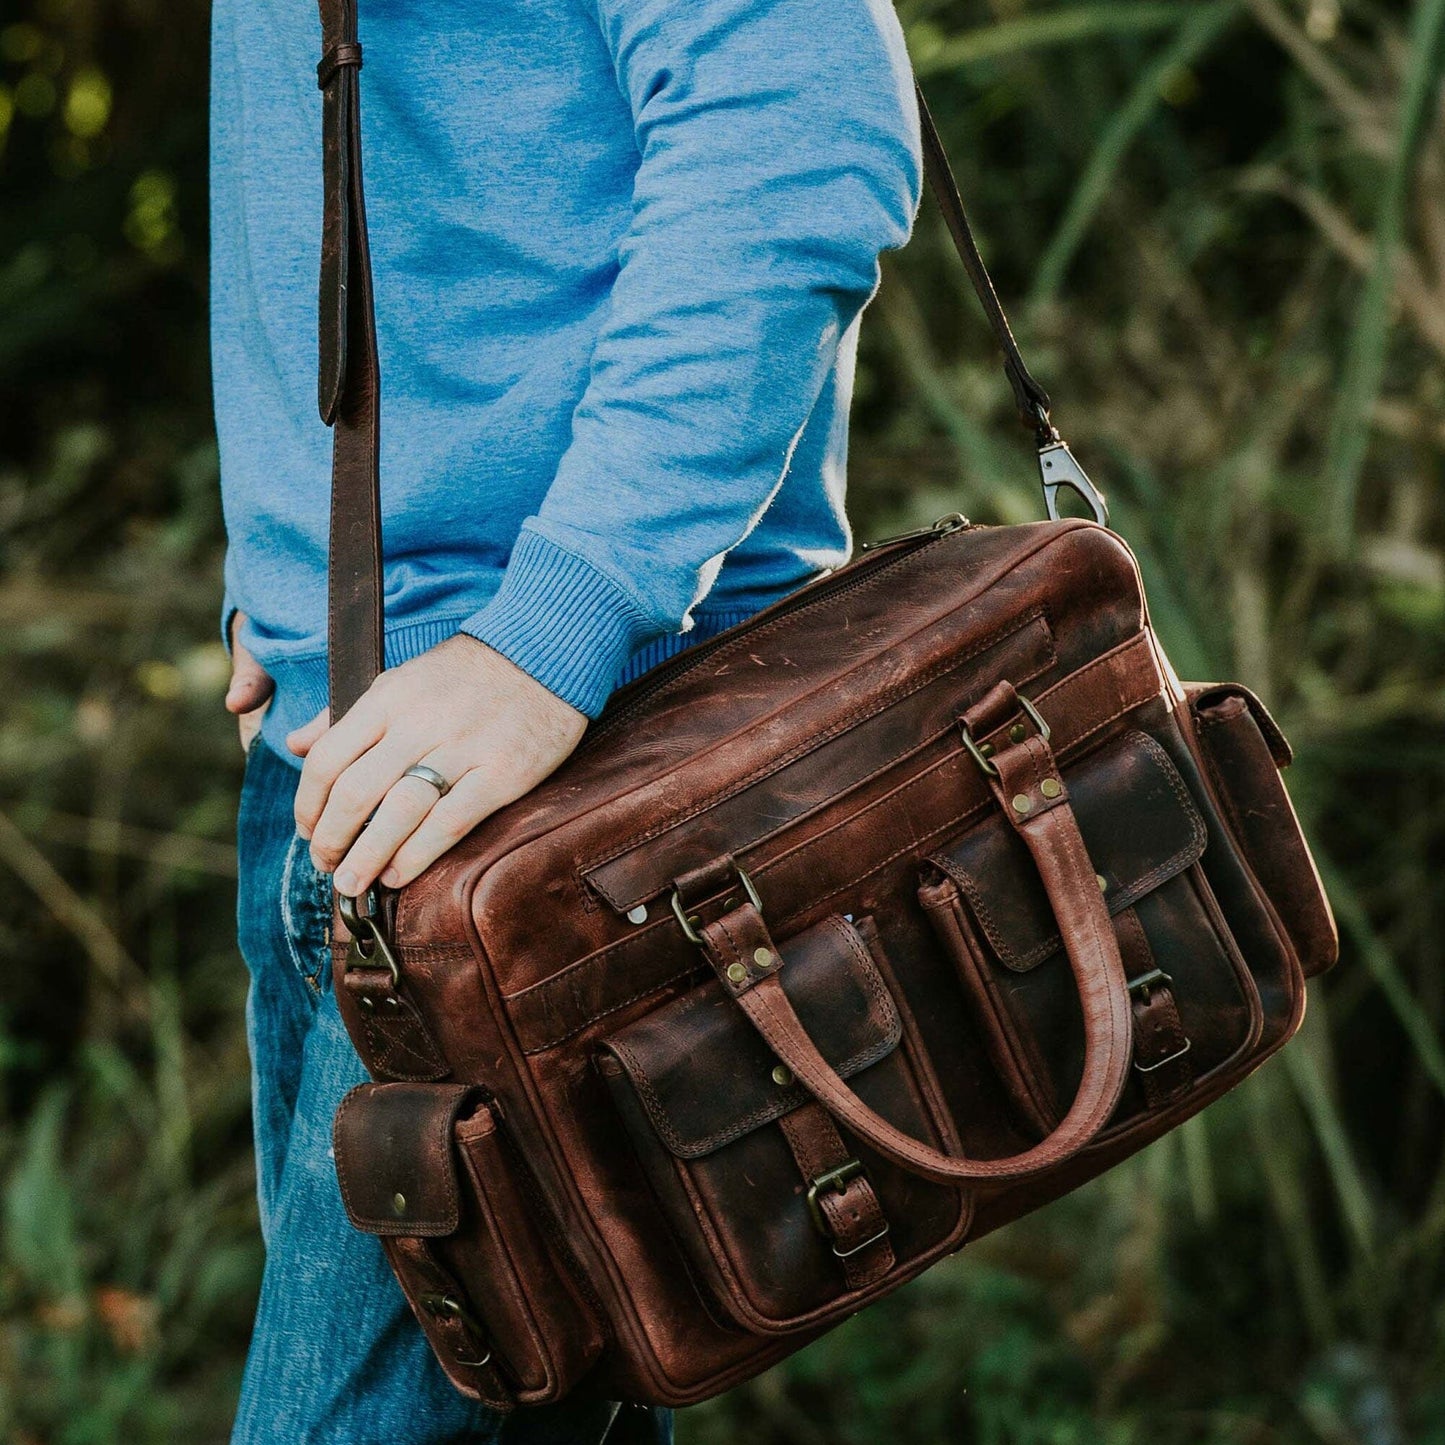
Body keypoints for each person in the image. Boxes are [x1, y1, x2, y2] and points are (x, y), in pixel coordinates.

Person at [212, 0, 923, 1439]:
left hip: (538, 798)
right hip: (368, 756)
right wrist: (284, 568)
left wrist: (550, 630)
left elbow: (800, 128)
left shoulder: (537, 681)